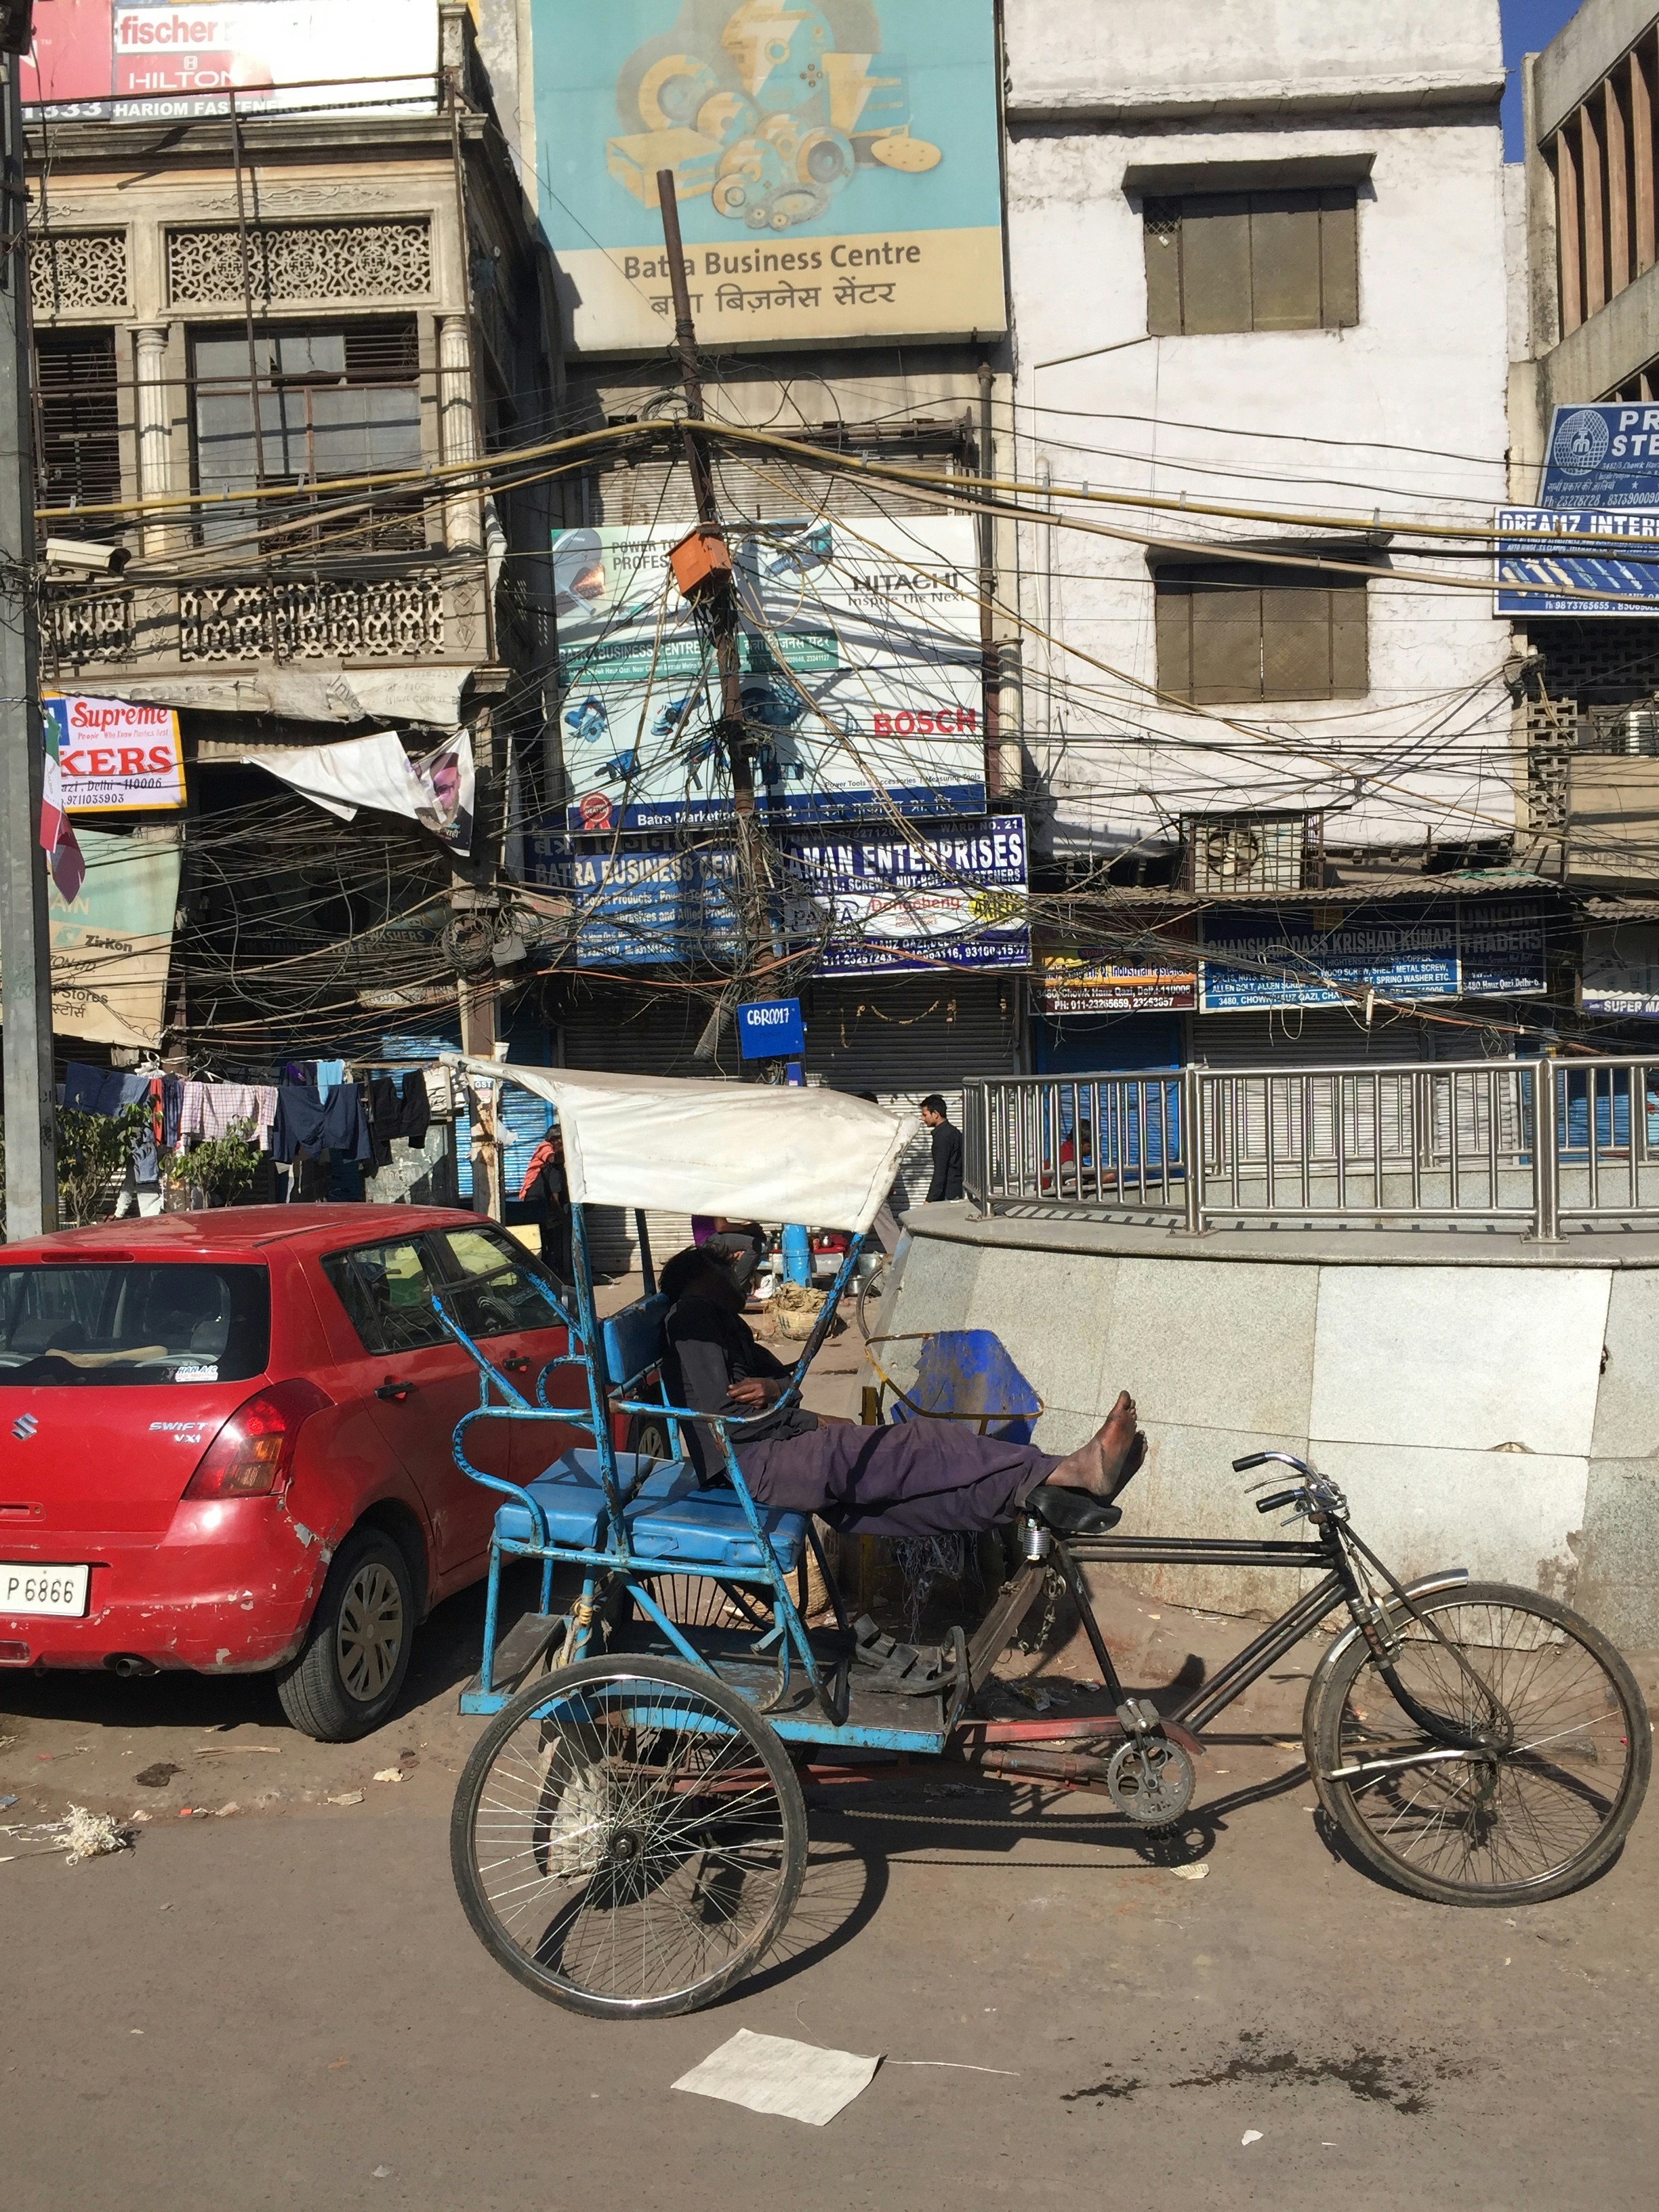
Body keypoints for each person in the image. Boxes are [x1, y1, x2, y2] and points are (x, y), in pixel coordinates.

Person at [658, 1245, 1144, 1540]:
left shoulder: (721, 1321)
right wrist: (809, 1421)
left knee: (913, 1505)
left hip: (773, 1451)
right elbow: (723, 1417)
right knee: (922, 1441)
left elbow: (782, 1384)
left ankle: (1042, 1492)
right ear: (702, 1277)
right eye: (726, 1272)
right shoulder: (694, 1314)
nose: (740, 1279)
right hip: (758, 1463)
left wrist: (776, 1388)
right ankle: (1068, 1469)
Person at [517, 1126, 571, 1287]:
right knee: (541, 1237)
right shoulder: (545, 1147)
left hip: (541, 1199)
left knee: (547, 1237)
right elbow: (553, 1159)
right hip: (533, 1195)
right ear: (554, 1140)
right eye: (562, 1140)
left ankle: (548, 1272)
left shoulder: (553, 1165)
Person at [920, 1093, 964, 1204]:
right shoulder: (953, 1131)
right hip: (956, 1190)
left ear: (935, 1114)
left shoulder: (942, 1137)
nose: (922, 1118)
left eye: (925, 1115)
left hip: (947, 1194)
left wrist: (930, 1199)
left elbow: (940, 1170)